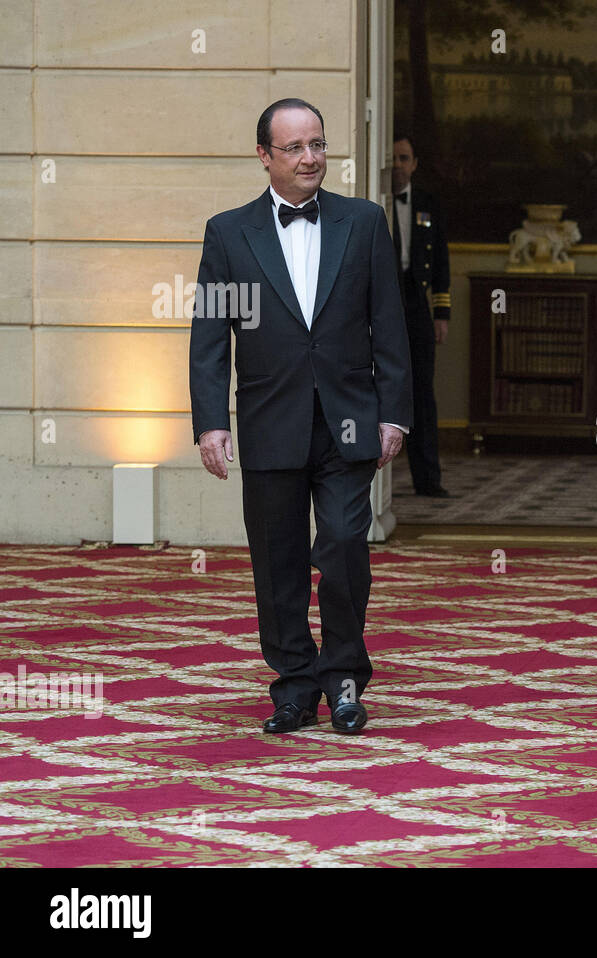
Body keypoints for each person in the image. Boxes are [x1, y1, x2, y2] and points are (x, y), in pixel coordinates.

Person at [189, 98, 413, 734]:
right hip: (269, 420)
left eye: (317, 144)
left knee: (343, 547)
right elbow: (210, 334)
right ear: (264, 156)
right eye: (294, 148)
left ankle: (344, 680)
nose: (311, 157)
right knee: (277, 559)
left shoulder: (364, 222)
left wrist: (394, 413)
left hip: (349, 421)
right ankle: (292, 685)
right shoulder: (228, 232)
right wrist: (211, 421)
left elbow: (389, 326)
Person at [391, 134, 452, 497]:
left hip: (416, 306)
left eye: (404, 158)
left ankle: (427, 480)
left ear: (414, 164)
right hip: (382, 302)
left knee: (421, 395)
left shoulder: (428, 204)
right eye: (393, 158)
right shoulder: (371, 199)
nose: (398, 165)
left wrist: (441, 313)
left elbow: (442, 262)